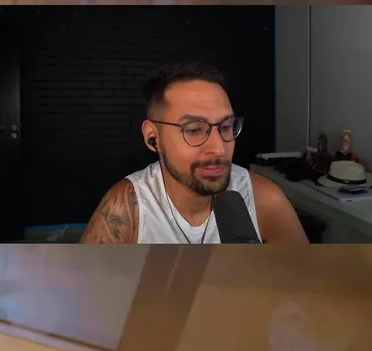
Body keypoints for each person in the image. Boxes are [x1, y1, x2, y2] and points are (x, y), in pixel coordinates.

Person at [81, 62, 307, 244]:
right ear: (153, 137)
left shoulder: (264, 200)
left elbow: (306, 281)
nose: (219, 148)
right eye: (194, 130)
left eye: (226, 127)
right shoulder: (126, 209)